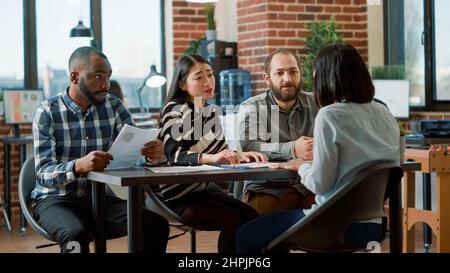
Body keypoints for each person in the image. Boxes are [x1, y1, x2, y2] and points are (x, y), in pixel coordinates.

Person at [235, 42, 400, 253]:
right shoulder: (384, 112)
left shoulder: (329, 113)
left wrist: (299, 166)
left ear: (325, 76)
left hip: (330, 223)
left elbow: (320, 184)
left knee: (245, 236)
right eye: (280, 73)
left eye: (312, 72)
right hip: (372, 224)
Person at [31, 46, 169, 253]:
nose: (105, 84)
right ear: (75, 77)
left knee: (155, 225)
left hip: (100, 197)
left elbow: (133, 157)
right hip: (55, 199)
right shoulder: (47, 112)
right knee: (74, 235)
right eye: (97, 76)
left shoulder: (114, 106)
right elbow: (43, 173)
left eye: (108, 77)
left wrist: (150, 156)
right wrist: (78, 166)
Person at [157, 54, 267, 253]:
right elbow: (174, 155)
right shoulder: (173, 110)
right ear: (182, 84)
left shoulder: (209, 112)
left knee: (251, 215)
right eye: (199, 77)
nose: (208, 82)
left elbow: (220, 150)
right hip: (176, 196)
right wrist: (211, 158)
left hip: (202, 189)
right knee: (232, 219)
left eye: (210, 75)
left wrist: (242, 155)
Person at [238, 49, 319, 215]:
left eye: (292, 72)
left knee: (332, 224)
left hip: (311, 185)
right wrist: (293, 149)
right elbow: (250, 146)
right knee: (255, 233)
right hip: (268, 188)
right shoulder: (252, 106)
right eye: (279, 73)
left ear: (301, 74)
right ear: (267, 79)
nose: (287, 79)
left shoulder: (318, 103)